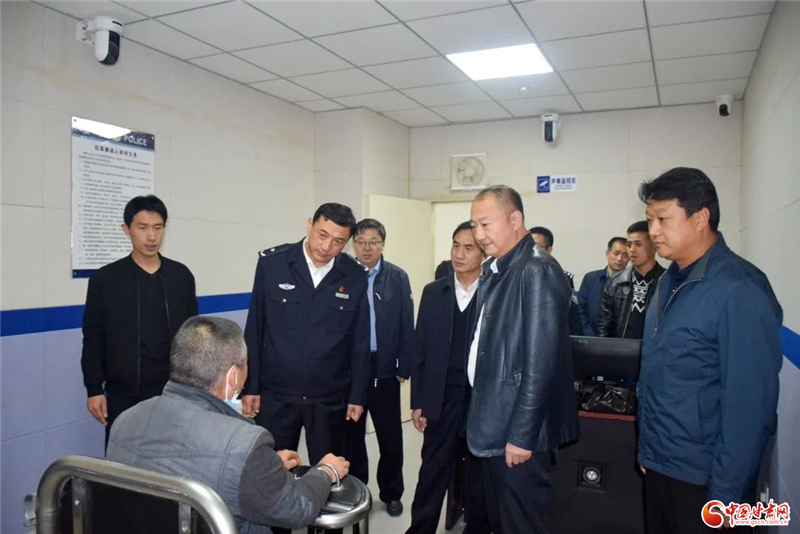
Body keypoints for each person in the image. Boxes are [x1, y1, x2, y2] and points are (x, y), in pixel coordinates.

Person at [637, 168, 782, 533]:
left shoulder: (739, 289)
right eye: (650, 220)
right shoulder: (668, 281)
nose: (653, 230)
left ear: (701, 218)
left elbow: (749, 409)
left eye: (663, 219)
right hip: (661, 463)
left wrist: (727, 497)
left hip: (706, 480)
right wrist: (647, 451)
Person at [107, 316, 350, 534]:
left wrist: (265, 466)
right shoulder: (244, 442)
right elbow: (296, 509)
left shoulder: (124, 421)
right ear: (234, 376)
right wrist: (325, 471)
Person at [467, 186, 579, 533]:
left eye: (485, 224)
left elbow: (541, 365)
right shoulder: (499, 269)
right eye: (473, 225)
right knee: (499, 520)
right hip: (495, 421)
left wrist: (521, 436)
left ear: (515, 219)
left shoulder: (536, 269)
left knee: (521, 524)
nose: (478, 234)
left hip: (517, 433)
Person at [241, 202, 369, 475]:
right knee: (271, 472)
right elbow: (255, 328)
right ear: (310, 224)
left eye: (338, 242)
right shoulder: (273, 264)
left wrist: (357, 395)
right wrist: (250, 387)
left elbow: (359, 341)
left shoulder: (355, 275)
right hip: (276, 394)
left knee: (330, 473)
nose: (326, 247)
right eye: (322, 235)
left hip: (328, 396)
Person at [81, 195, 197, 448]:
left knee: (173, 458)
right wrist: (94, 389)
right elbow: (93, 338)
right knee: (123, 460)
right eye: (142, 228)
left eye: (158, 227)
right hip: (123, 393)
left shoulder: (181, 276)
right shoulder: (106, 280)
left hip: (173, 391)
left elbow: (192, 336)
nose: (151, 236)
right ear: (127, 229)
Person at [406, 222, 485, 534]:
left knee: (479, 475)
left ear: (483, 253)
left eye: (468, 248)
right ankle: (420, 529)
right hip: (442, 398)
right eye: (455, 245)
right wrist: (419, 401)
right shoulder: (434, 292)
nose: (459, 254)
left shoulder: (494, 292)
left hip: (480, 401)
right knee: (432, 472)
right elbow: (420, 350)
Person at [343, 218, 415, 517]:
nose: (367, 248)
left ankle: (392, 493)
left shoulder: (397, 277)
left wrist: (404, 366)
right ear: (353, 244)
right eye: (361, 242)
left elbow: (407, 323)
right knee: (352, 437)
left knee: (390, 436)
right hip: (351, 369)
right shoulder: (343, 274)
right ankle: (357, 491)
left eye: (373, 242)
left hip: (384, 366)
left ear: (383, 244)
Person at [597, 221, 665, 339]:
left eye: (638, 244)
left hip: (655, 348)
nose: (632, 250)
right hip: (622, 348)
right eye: (629, 245)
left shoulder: (667, 281)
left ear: (654, 246)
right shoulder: (616, 282)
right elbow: (605, 326)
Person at [529, 225, 582, 335]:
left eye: (537, 247)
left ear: (549, 250)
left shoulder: (562, 278)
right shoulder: (515, 276)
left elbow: (572, 318)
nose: (530, 251)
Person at [577, 237, 628, 336]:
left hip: (619, 340)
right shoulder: (590, 278)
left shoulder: (631, 283)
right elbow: (581, 309)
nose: (619, 259)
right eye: (616, 253)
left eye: (625, 255)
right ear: (607, 254)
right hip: (589, 337)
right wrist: (589, 335)